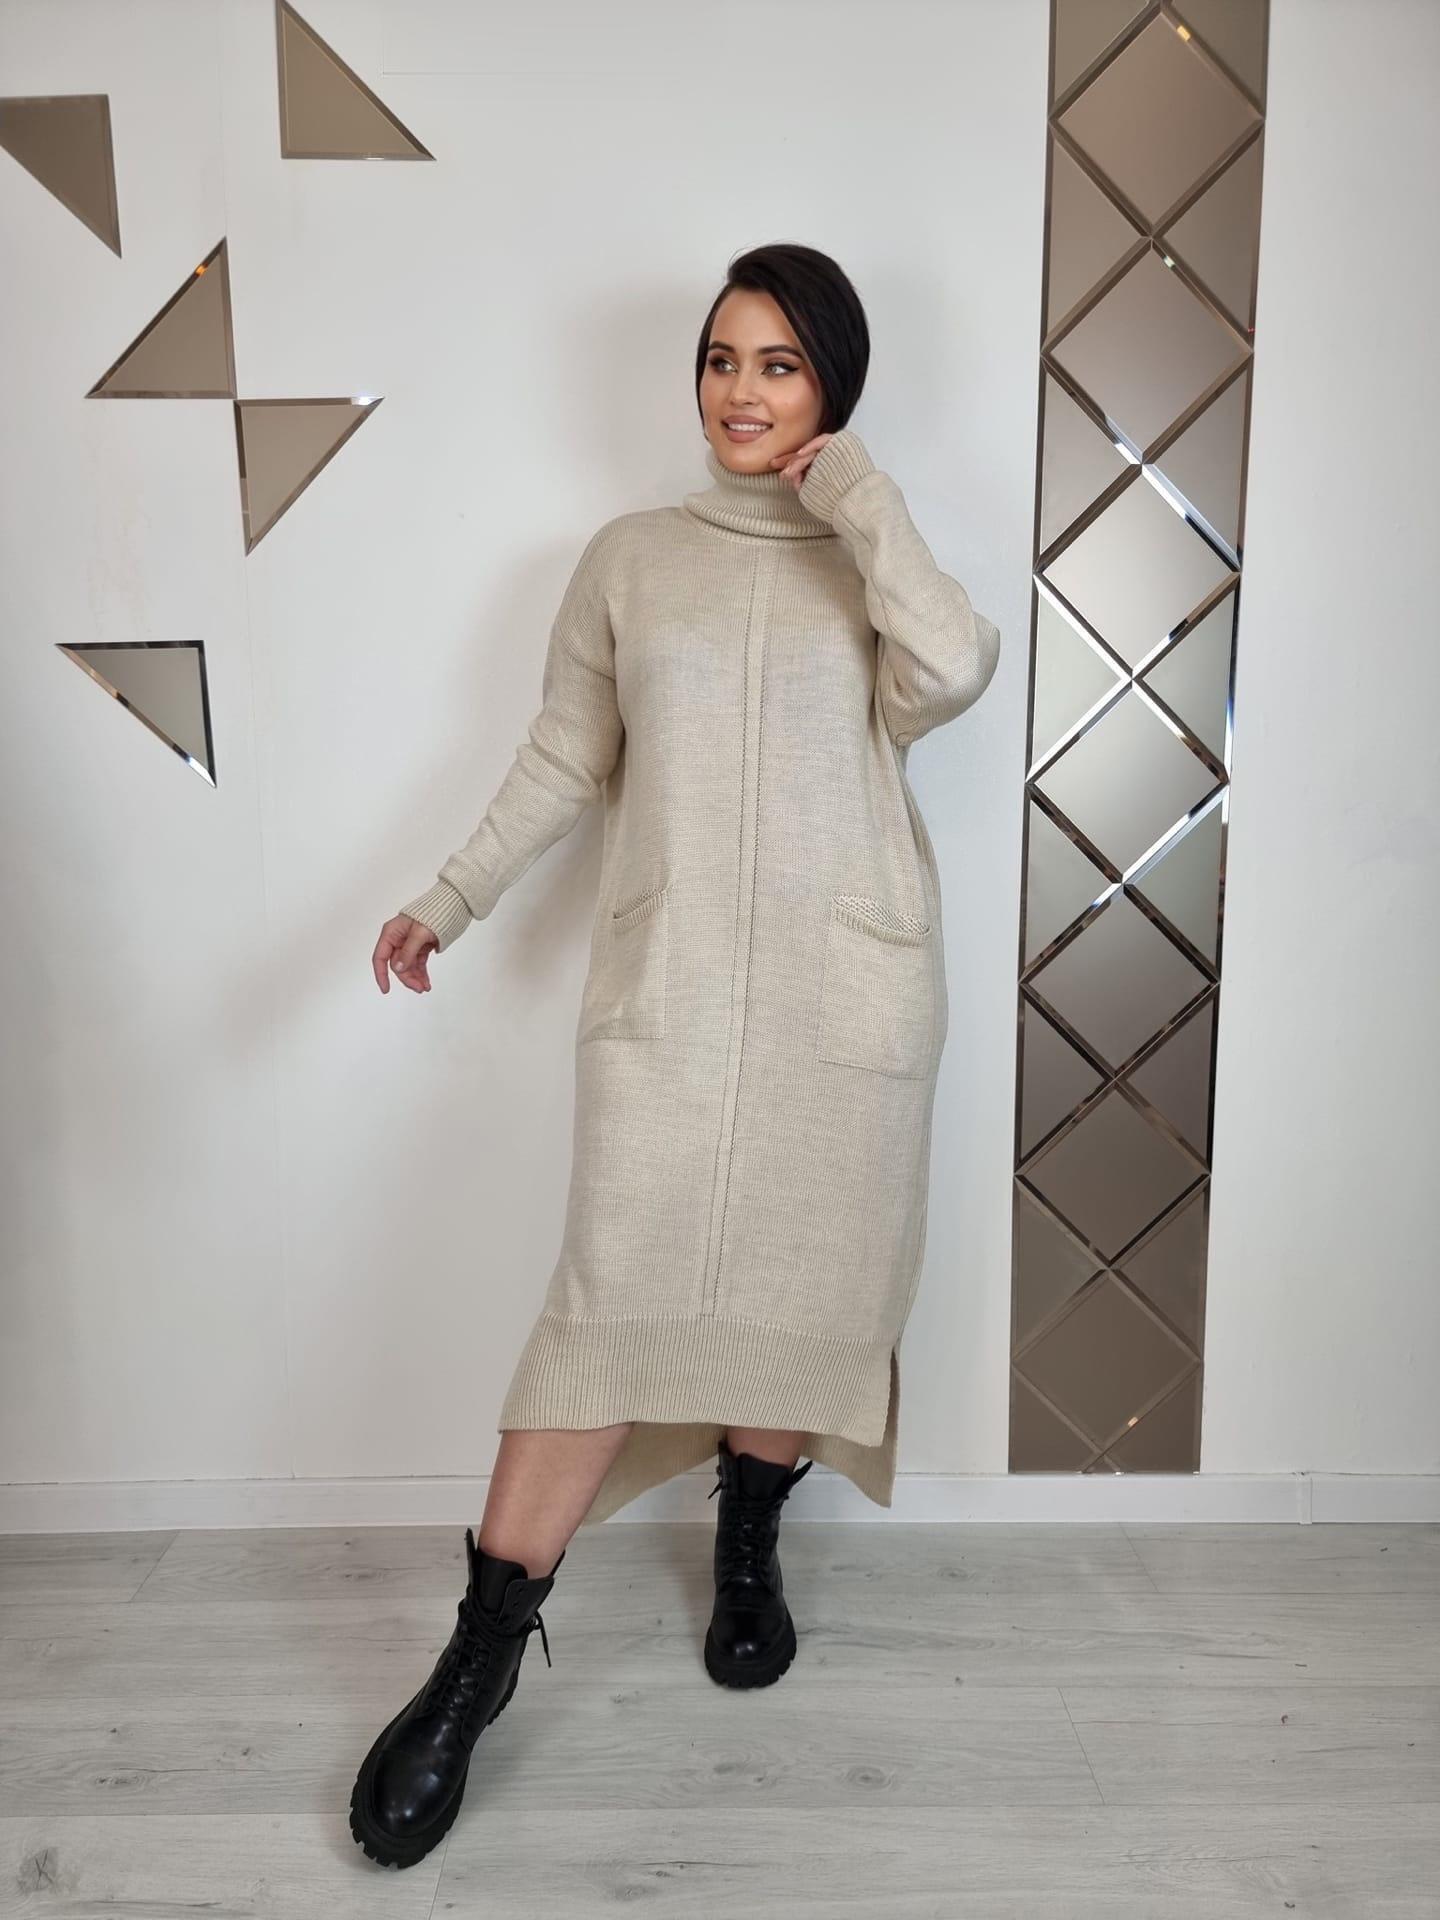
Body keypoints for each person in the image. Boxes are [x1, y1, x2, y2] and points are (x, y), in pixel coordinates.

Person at [349, 242, 1002, 1868]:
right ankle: (471, 1673)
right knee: (603, 1314)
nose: (740, 390)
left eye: (779, 363)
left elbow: (957, 664)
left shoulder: (870, 556)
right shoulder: (630, 561)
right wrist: (451, 895)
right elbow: (561, 757)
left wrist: (856, 496)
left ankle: (750, 1544)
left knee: (802, 1294)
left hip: (848, 1006)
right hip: (671, 1002)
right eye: (722, 359)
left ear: (831, 386)